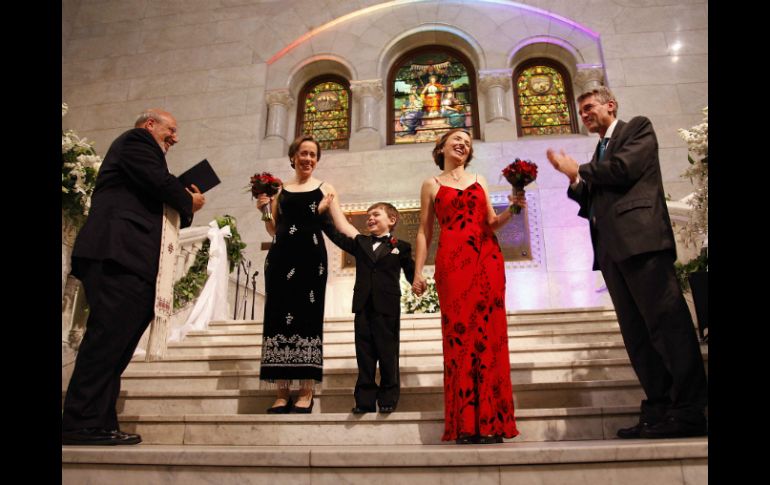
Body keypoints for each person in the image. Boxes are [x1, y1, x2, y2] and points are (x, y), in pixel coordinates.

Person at [546, 86, 708, 439]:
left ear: (610, 105)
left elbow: (624, 169)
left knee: (668, 326)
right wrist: (574, 179)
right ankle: (659, 408)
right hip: (612, 251)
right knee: (637, 336)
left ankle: (690, 410)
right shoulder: (600, 151)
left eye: (589, 107)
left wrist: (581, 169)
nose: (585, 115)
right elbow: (592, 199)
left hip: (643, 242)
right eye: (581, 111)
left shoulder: (636, 128)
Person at [62, 109, 206, 446]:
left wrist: (185, 202)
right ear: (150, 124)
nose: (176, 138)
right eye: (171, 130)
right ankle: (79, 422)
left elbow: (158, 195)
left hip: (132, 259)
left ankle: (98, 421)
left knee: (118, 346)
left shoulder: (145, 159)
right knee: (107, 341)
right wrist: (188, 199)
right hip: (117, 254)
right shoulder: (136, 140)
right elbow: (160, 184)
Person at [412, 128, 523, 444]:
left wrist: (514, 208)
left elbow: (491, 222)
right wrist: (418, 271)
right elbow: (424, 231)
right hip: (452, 264)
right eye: (456, 139)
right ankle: (465, 424)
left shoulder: (479, 180)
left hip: (486, 259)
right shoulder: (431, 184)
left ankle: (491, 423)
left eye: (467, 142)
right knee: (459, 338)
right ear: (442, 147)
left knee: (488, 336)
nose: (462, 144)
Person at [255, 134, 343, 414]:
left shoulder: (325, 188)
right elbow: (274, 229)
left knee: (307, 319)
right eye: (303, 153)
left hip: (311, 260)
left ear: (317, 160)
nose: (308, 159)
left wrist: (365, 244)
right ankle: (282, 391)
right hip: (281, 259)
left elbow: (339, 225)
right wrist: (264, 210)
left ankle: (306, 390)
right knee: (278, 320)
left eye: (313, 154)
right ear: (293, 157)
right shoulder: (281, 189)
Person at [324, 202, 415, 414]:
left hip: (387, 307)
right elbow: (336, 236)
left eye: (376, 214)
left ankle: (387, 398)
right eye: (368, 216)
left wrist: (417, 283)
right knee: (364, 354)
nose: (370, 218)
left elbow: (411, 271)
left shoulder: (401, 246)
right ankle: (364, 400)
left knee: (387, 353)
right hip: (363, 305)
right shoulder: (361, 242)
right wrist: (322, 216)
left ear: (391, 220)